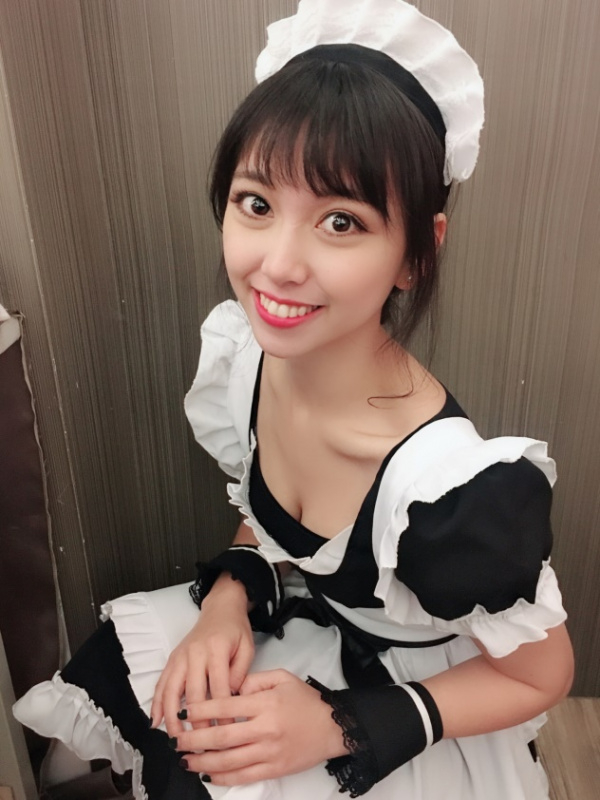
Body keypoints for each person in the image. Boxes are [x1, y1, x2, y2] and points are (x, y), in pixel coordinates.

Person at [14, 1, 574, 798]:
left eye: (340, 221)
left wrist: (338, 725)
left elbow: (541, 676)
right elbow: (274, 518)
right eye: (257, 203)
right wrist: (228, 601)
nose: (277, 265)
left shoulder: (449, 496)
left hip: (411, 705)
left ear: (417, 253)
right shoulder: (249, 361)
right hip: (309, 626)